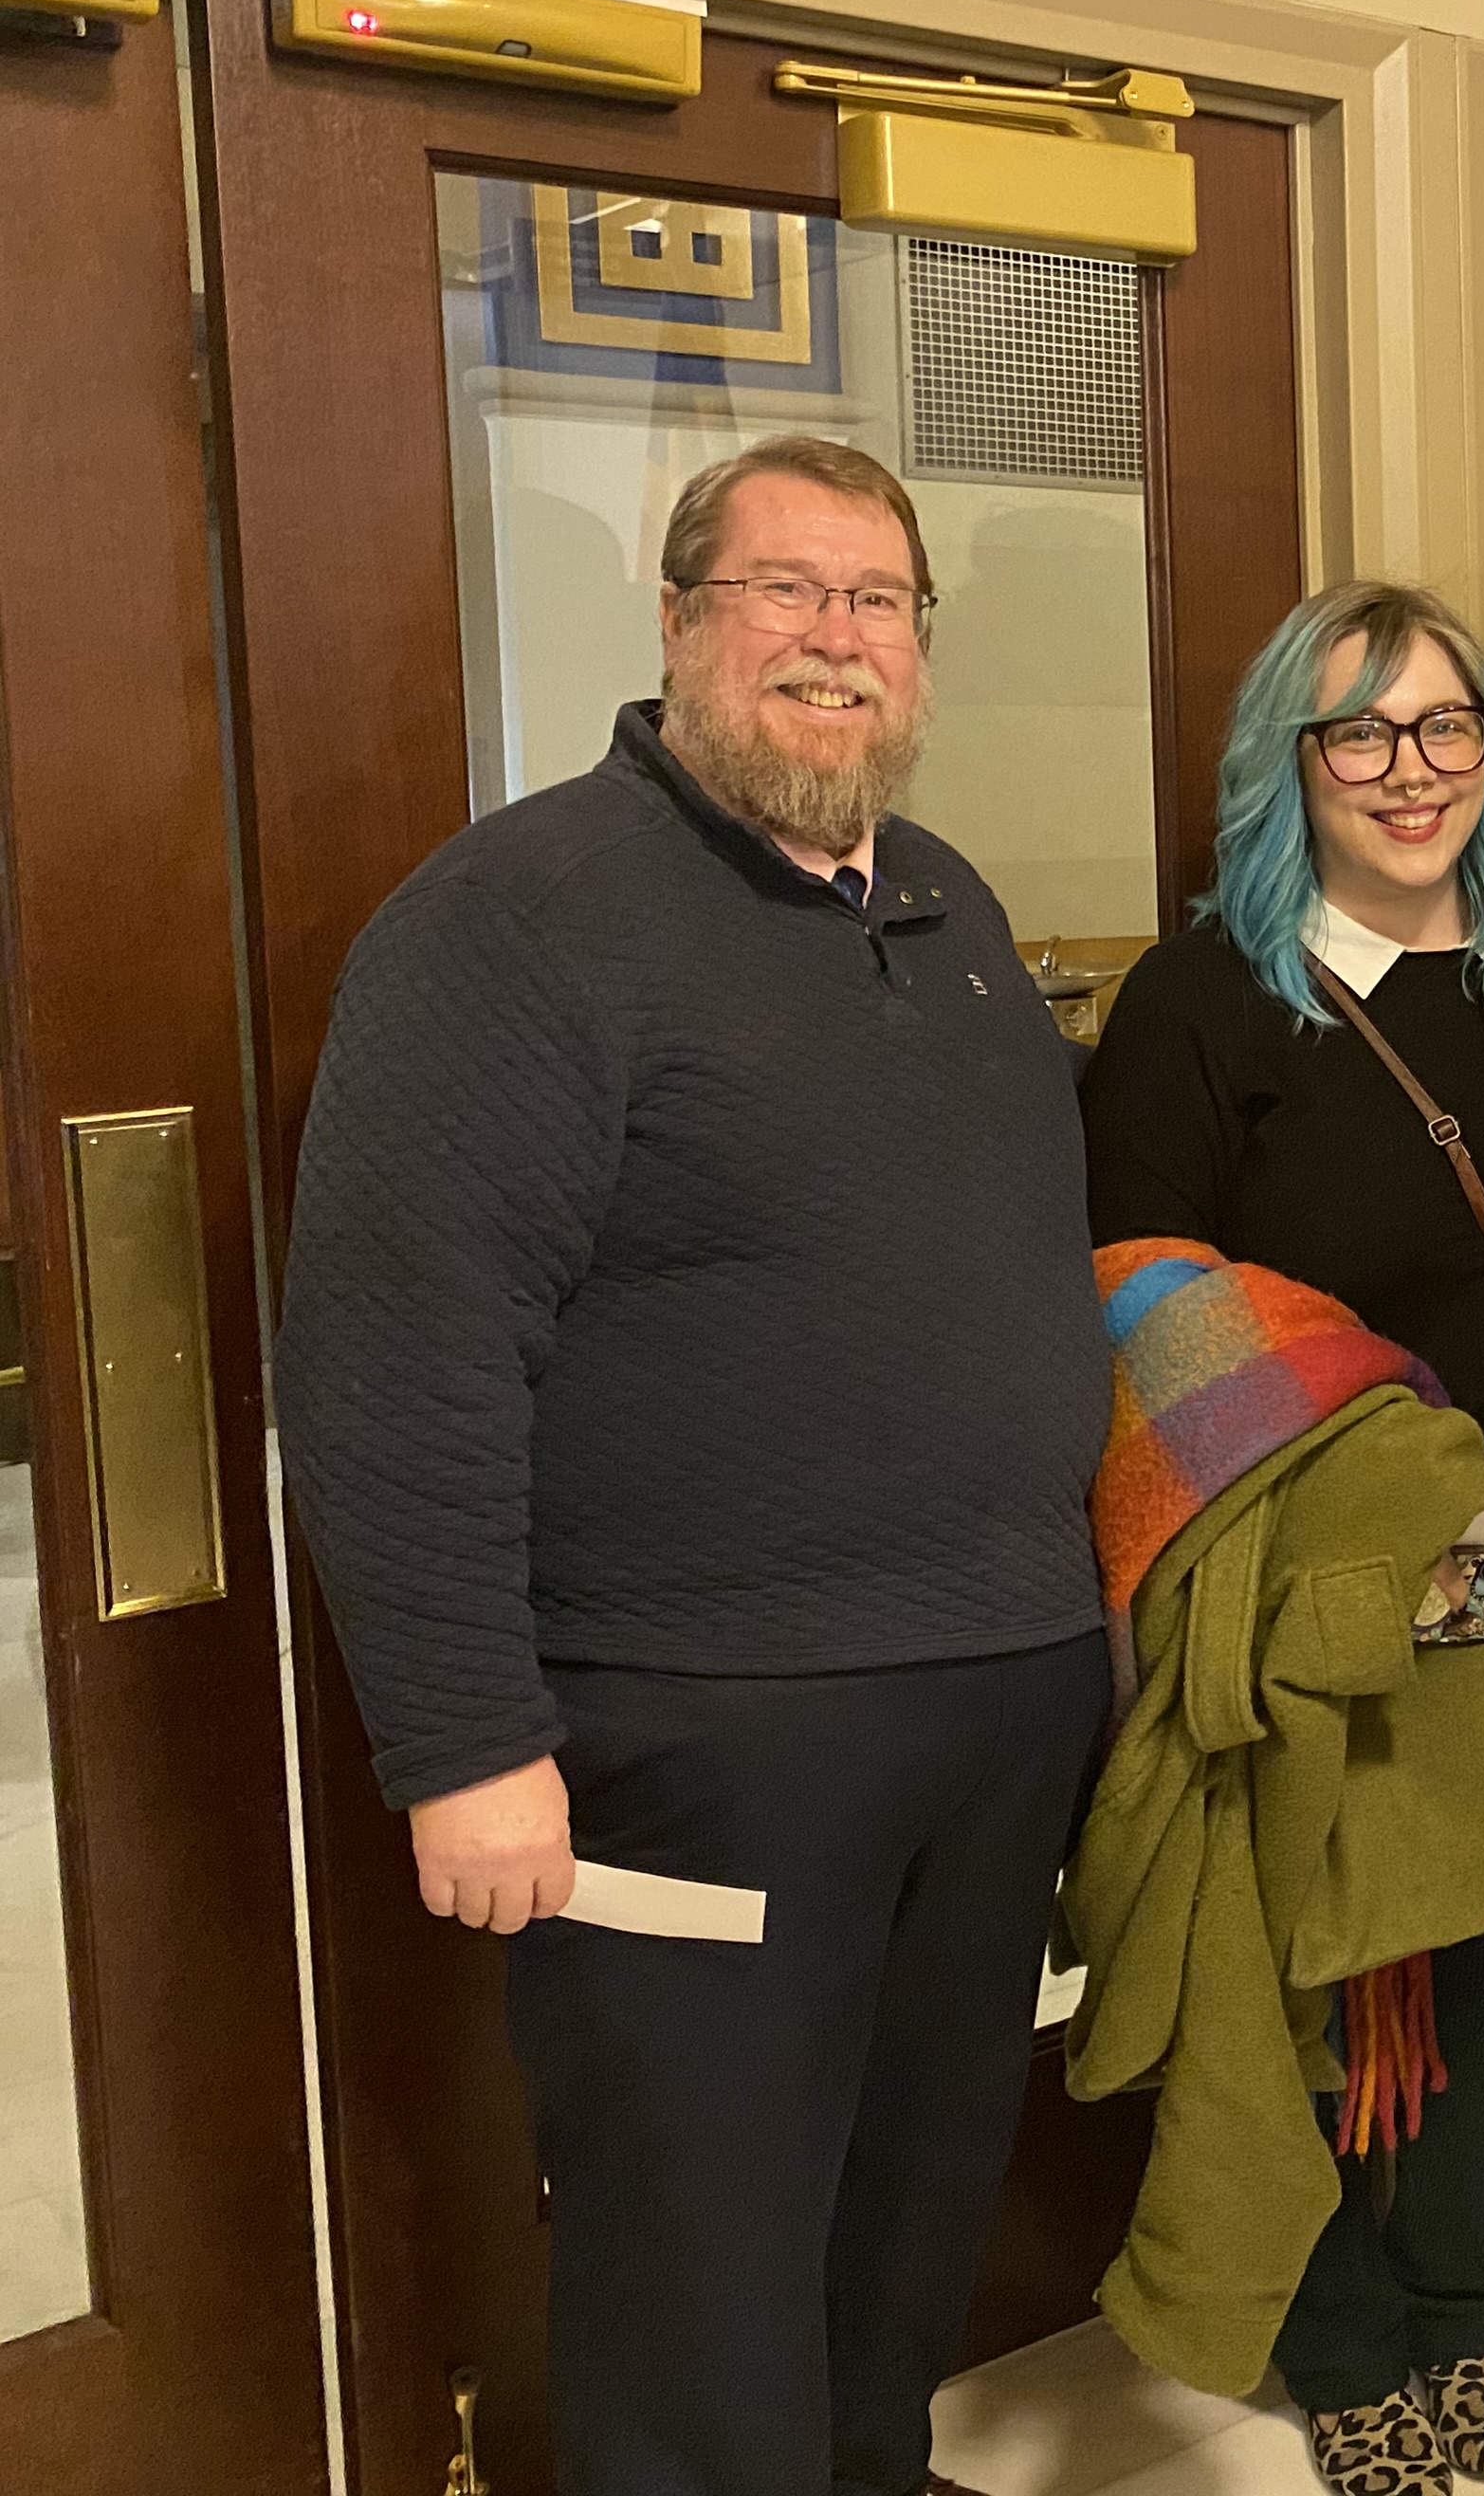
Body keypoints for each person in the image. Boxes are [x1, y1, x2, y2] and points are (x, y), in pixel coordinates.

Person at [278, 434, 1109, 2496]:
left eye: (880, 601)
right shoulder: (519, 919)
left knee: (906, 2233)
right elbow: (401, 1361)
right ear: (678, 623)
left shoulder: (952, 900)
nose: (838, 638)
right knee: (697, 2273)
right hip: (699, 1737)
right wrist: (463, 1743)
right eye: (785, 591)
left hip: (991, 1712)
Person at [1077, 580, 1484, 2496]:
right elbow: (1137, 1306)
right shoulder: (1209, 1000)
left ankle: (1457, 2303)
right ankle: (1342, 2338)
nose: (1408, 771)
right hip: (1325, 1600)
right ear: (1288, 762)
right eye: (1359, 732)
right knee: (1319, 1976)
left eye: (1446, 727)